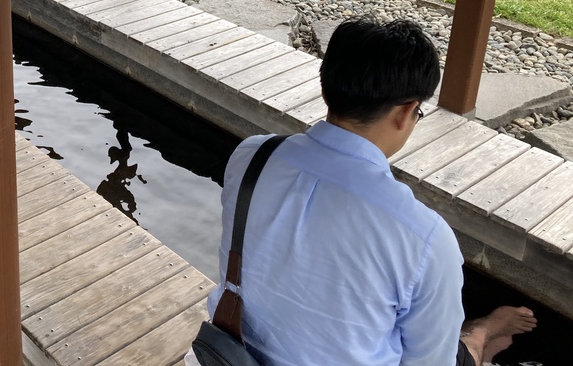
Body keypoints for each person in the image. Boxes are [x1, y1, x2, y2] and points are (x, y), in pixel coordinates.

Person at [190, 18, 537, 366]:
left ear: (326, 90)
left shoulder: (252, 156)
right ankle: (480, 336)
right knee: (457, 352)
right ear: (405, 112)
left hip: (229, 356)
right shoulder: (424, 238)